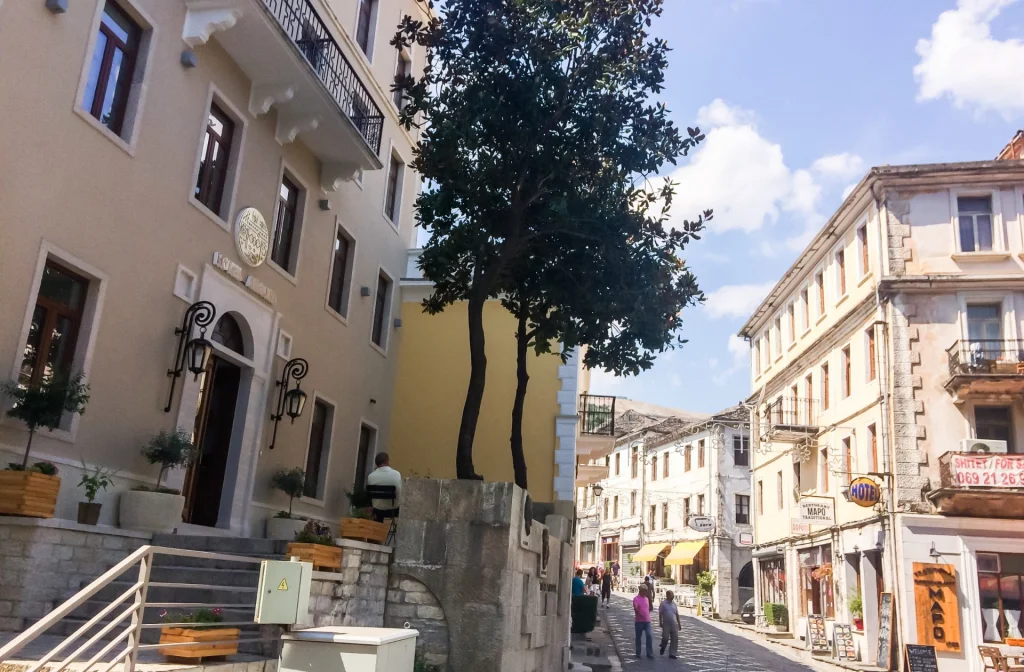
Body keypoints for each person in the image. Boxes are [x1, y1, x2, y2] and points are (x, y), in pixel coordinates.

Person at [366, 453, 402, 522]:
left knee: (378, 506)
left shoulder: (371, 476)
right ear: (387, 461)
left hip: (377, 510)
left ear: (376, 463)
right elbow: (399, 493)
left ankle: (379, 529)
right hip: (393, 510)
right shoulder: (396, 474)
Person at [658, 590, 681, 659]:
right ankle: (663, 646)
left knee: (674, 639)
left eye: (673, 595)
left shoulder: (674, 604)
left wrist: (679, 624)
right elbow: (660, 613)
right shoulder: (663, 603)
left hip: (674, 623)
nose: (673, 596)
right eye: (671, 595)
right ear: (667, 595)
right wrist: (660, 622)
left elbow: (677, 614)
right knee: (665, 637)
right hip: (666, 623)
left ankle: (672, 653)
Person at [633, 585, 654, 659]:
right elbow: (635, 607)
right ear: (641, 591)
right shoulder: (636, 599)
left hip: (647, 621)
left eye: (646, 590)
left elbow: (648, 609)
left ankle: (649, 653)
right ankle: (638, 652)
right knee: (638, 637)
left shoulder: (647, 599)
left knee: (649, 635)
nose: (646, 592)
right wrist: (638, 610)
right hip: (639, 621)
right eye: (645, 590)